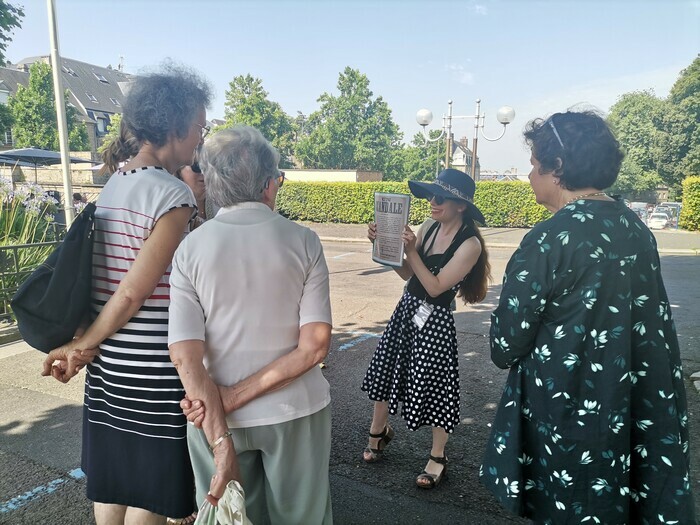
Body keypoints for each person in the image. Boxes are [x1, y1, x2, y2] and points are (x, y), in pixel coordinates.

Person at [481, 110, 696, 523]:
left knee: (571, 503)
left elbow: (505, 345)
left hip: (568, 407)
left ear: (557, 167)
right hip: (632, 401)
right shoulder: (636, 229)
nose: (528, 175)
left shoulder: (547, 239)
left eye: (532, 164)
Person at [40, 63, 215, 525]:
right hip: (152, 372)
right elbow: (133, 293)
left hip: (109, 368)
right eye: (199, 125)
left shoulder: (113, 185)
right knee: (150, 492)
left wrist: (88, 345)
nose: (201, 136)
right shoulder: (171, 196)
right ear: (173, 125)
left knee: (115, 479)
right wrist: (82, 344)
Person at [170, 125, 333, 525]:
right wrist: (235, 396)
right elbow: (314, 346)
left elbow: (184, 354)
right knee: (302, 517)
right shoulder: (304, 240)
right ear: (267, 182)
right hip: (296, 411)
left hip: (214, 417)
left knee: (233, 516)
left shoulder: (190, 248)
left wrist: (219, 406)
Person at [362, 168, 491, 489]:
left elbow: (435, 288)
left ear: (461, 205)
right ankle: (377, 433)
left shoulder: (470, 243)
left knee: (434, 386)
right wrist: (384, 245)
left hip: (435, 319)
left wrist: (409, 250)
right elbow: (409, 275)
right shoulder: (430, 225)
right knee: (386, 369)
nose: (432, 202)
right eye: (431, 195)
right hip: (408, 308)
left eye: (441, 197)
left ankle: (438, 456)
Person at [175, 153, 218, 229]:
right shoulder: (173, 208)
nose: (203, 172)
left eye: (207, 167)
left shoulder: (222, 202)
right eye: (197, 166)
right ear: (179, 172)